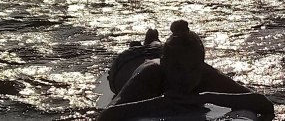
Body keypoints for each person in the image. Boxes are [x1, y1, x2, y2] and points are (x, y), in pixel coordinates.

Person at [99, 20, 275, 121]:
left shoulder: (203, 74)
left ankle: (154, 41)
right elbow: (106, 116)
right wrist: (161, 102)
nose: (186, 77)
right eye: (178, 69)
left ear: (201, 64)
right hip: (128, 60)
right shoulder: (151, 74)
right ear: (165, 65)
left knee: (159, 47)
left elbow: (264, 104)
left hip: (163, 53)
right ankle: (148, 40)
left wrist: (206, 96)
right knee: (152, 46)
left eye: (193, 69)